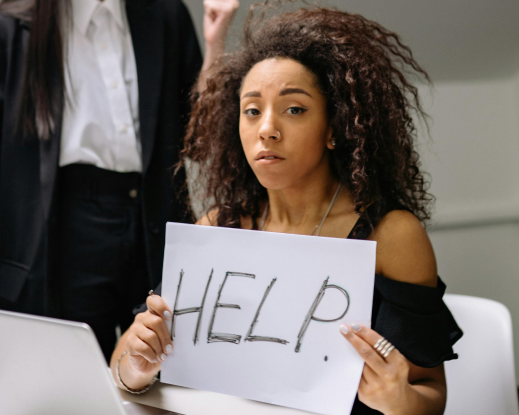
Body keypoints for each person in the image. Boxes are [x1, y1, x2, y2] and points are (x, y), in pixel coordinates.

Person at [109, 3, 463, 414]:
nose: (267, 129)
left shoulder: (390, 235)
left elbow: (430, 397)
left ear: (334, 128)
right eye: (252, 111)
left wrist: (397, 398)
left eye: (294, 109)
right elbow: (125, 364)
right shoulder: (219, 228)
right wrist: (135, 368)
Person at [0, 0, 238, 362]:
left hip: (154, 222)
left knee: (165, 375)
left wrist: (215, 44)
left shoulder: (164, 14)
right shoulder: (6, 27)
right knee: (73, 386)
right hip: (60, 237)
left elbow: (198, 142)